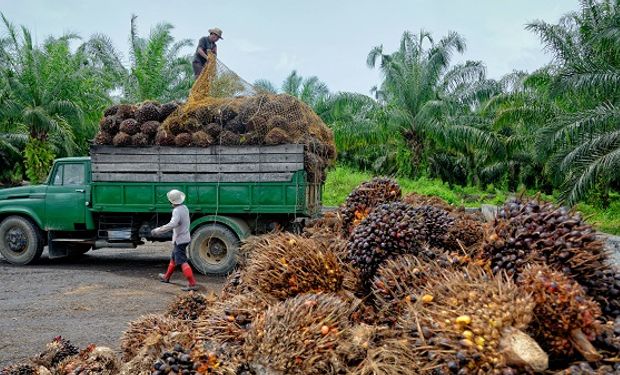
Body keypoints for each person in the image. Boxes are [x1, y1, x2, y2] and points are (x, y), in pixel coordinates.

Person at [151, 189, 198, 291]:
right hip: (184, 237)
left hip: (180, 240)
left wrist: (158, 230)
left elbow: (172, 224)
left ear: (171, 201)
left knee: (182, 261)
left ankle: (192, 284)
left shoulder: (176, 211)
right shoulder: (184, 207)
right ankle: (166, 277)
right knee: (173, 258)